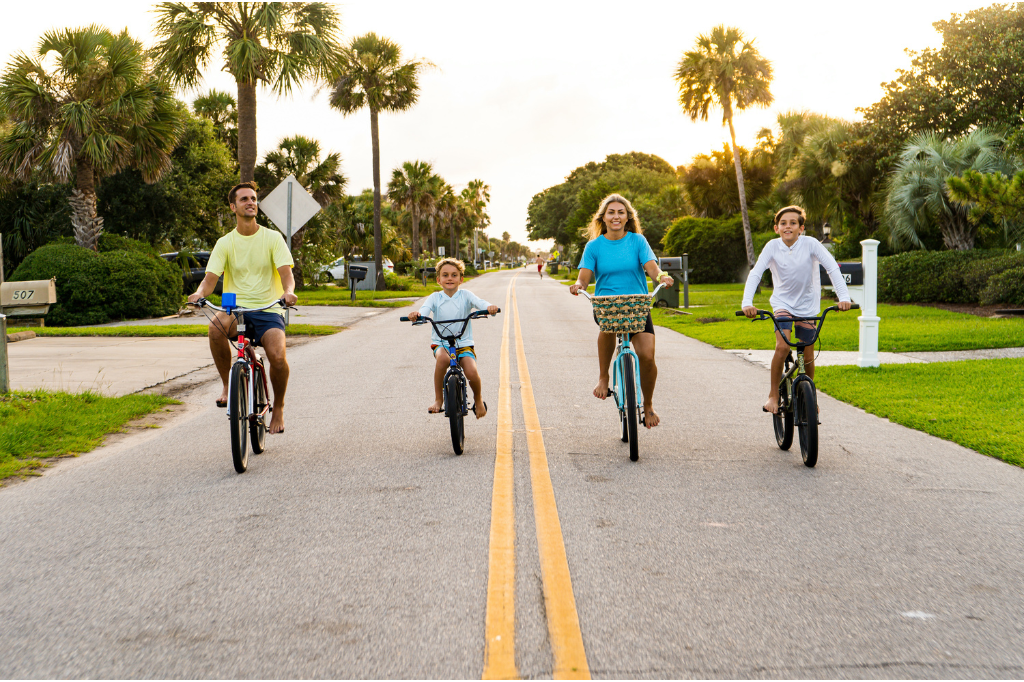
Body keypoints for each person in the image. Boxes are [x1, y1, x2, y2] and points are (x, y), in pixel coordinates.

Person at [188, 182, 298, 434]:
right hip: (235, 309)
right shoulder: (225, 242)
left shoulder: (272, 238)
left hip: (269, 309)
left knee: (278, 358)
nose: (251, 202)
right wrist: (199, 294)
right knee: (215, 328)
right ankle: (228, 386)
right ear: (233, 206)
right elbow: (210, 279)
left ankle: (278, 408)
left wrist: (288, 292)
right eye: (244, 199)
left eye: (254, 198)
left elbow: (286, 274)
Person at [569, 193, 673, 429]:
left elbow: (653, 270)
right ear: (603, 218)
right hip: (607, 305)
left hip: (637, 305)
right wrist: (578, 286)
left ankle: (647, 405)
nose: (616, 216)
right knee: (608, 326)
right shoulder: (594, 246)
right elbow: (584, 278)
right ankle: (604, 377)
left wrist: (663, 277)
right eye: (611, 212)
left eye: (621, 212)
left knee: (647, 357)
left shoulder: (637, 241)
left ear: (627, 218)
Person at [741, 205, 852, 414]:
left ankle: (809, 395)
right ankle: (773, 394)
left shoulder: (810, 244)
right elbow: (756, 273)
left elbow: (831, 267)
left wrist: (844, 298)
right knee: (782, 347)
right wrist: (747, 303)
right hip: (783, 304)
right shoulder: (772, 247)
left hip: (808, 306)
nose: (788, 227)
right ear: (776, 228)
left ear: (801, 228)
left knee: (807, 354)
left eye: (793, 223)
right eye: (783, 223)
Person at [408, 258, 499, 418]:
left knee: (471, 372)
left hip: (463, 343)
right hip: (441, 342)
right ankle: (438, 399)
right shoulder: (435, 297)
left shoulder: (465, 295)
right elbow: (424, 309)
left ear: (461, 279)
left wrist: (489, 308)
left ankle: (478, 400)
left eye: (454, 275)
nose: (449, 278)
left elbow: (480, 303)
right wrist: (417, 315)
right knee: (442, 360)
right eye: (445, 275)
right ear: (438, 280)